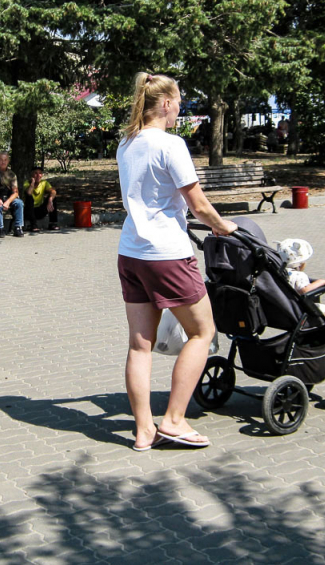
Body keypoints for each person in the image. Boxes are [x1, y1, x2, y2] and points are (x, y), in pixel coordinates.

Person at [117, 72, 239, 452]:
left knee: (140, 346)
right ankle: (173, 420)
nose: (179, 110)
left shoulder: (126, 143)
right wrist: (224, 226)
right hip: (168, 255)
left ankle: (143, 431)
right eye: (179, 103)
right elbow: (197, 204)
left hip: (131, 252)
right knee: (203, 333)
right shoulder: (171, 145)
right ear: (166, 103)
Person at [275, 238, 325, 337]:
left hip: (288, 305)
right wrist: (321, 282)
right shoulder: (299, 276)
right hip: (301, 308)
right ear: (300, 263)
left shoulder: (281, 272)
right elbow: (305, 290)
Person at [0, 151, 24, 238]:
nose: (3, 162)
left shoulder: (12, 175)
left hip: (8, 196)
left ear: (8, 161)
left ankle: (18, 227)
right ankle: (0, 228)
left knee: (19, 203)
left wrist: (8, 202)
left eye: (5, 160)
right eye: (1, 159)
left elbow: (15, 192)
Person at [23, 166, 59, 231]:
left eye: (40, 173)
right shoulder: (26, 183)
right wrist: (32, 183)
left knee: (53, 198)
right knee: (29, 197)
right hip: (28, 211)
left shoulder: (44, 183)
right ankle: (33, 225)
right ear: (32, 175)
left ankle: (52, 223)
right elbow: (29, 193)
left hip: (39, 211)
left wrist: (50, 199)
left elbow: (53, 191)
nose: (38, 175)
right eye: (35, 173)